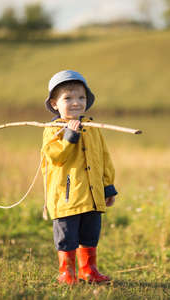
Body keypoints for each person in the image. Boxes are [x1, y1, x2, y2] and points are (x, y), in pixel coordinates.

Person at [41, 70, 117, 284]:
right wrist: (69, 135)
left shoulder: (93, 128)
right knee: (67, 236)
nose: (76, 103)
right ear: (55, 104)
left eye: (81, 98)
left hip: (92, 196)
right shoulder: (53, 129)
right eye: (68, 98)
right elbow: (55, 156)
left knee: (90, 234)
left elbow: (104, 158)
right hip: (67, 197)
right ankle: (67, 273)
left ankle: (89, 270)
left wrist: (108, 187)